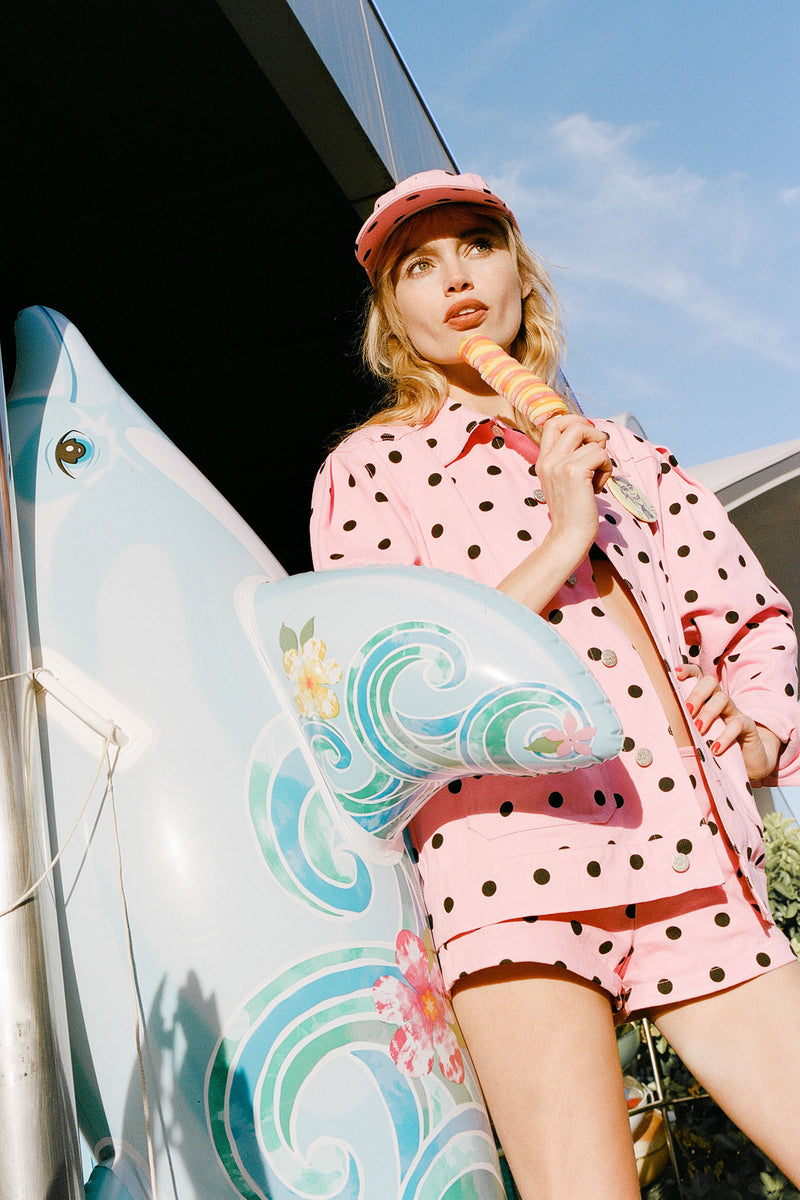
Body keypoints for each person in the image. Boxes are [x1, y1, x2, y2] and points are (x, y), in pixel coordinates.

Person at [310, 170, 800, 1199]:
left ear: (518, 274)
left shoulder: (633, 457)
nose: (453, 277)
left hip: (693, 855)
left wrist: (755, 732)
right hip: (511, 869)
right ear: (390, 315)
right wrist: (561, 530)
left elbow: (753, 622)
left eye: (476, 246)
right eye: (416, 264)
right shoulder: (374, 469)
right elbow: (386, 695)